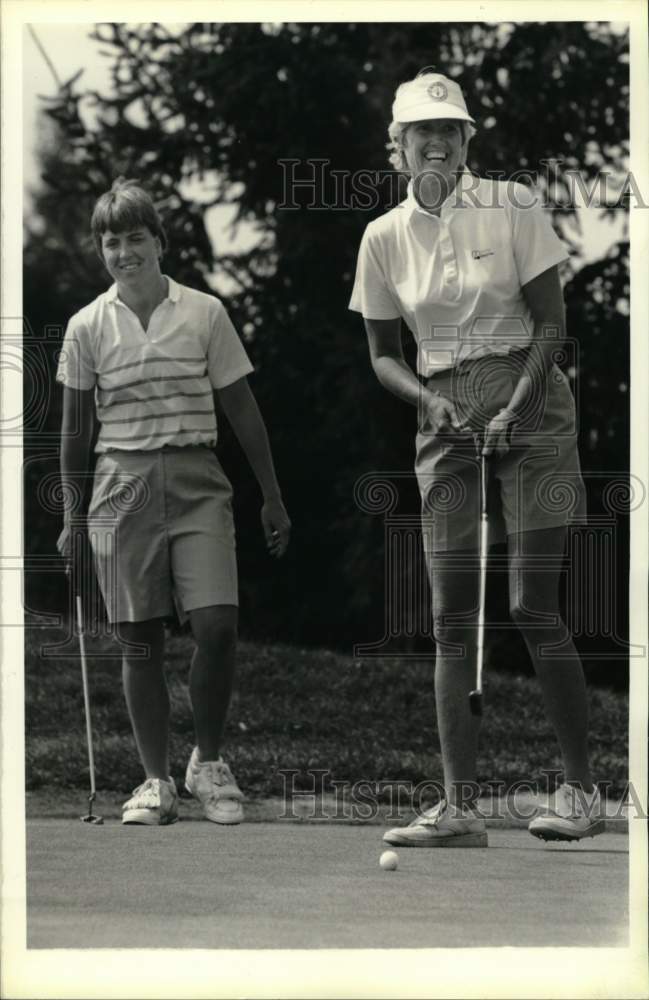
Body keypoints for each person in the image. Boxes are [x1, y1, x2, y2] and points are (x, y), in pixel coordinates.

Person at [349, 70, 603, 846]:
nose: (437, 140)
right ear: (396, 148)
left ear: (466, 142)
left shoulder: (513, 204)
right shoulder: (382, 236)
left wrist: (519, 403)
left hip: (532, 402)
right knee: (452, 615)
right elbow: (383, 356)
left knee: (531, 601)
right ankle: (458, 808)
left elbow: (551, 324)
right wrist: (427, 403)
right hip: (444, 415)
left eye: (451, 130)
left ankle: (581, 792)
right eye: (422, 131)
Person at [57, 178, 291, 826]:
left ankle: (206, 762)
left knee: (216, 626)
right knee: (139, 641)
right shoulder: (86, 326)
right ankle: (156, 780)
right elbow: (76, 431)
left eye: (136, 238)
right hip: (119, 486)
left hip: (197, 479)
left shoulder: (204, 313)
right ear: (102, 251)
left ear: (159, 242)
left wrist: (271, 495)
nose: (124, 252)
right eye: (112, 241)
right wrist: (72, 519)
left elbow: (241, 408)